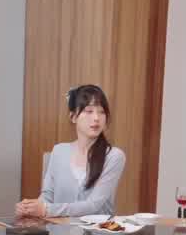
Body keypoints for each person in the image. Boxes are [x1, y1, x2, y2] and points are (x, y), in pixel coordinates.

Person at [16, 84, 126, 221]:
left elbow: (93, 205)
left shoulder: (114, 156)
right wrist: (30, 208)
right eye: (89, 111)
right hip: (59, 231)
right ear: (73, 117)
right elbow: (47, 195)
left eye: (102, 112)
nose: (96, 118)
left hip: (96, 232)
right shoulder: (59, 151)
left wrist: (46, 209)